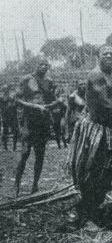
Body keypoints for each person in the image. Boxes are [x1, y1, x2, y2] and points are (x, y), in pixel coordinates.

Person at [70, 44, 112, 229]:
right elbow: (104, 101)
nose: (108, 56)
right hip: (94, 130)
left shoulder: (111, 72)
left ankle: (95, 212)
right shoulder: (96, 74)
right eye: (104, 53)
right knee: (91, 172)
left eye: (111, 54)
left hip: (108, 130)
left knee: (105, 173)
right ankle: (87, 215)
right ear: (98, 56)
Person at [14, 59, 62, 196]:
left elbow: (57, 98)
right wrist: (34, 106)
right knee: (24, 153)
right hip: (29, 120)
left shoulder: (49, 81)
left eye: (46, 65)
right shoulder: (26, 79)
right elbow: (17, 99)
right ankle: (16, 185)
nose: (44, 67)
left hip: (43, 121)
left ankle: (35, 185)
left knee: (40, 155)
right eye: (41, 64)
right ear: (36, 65)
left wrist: (51, 105)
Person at [0, 85, 19, 151]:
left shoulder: (12, 96)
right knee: (5, 132)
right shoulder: (2, 97)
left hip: (13, 116)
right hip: (5, 117)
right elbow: (4, 100)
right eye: (4, 90)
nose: (6, 91)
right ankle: (5, 147)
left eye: (7, 89)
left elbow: (15, 104)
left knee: (15, 131)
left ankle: (14, 146)